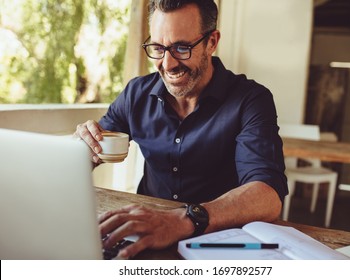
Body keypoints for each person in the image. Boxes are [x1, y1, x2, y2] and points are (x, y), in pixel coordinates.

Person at [74, 0, 288, 259]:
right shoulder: (136, 94)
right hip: (144, 232)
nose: (168, 64)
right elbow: (95, 147)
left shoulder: (251, 100)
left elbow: (268, 196)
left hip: (218, 242)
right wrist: (79, 150)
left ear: (212, 42)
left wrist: (183, 220)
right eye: (158, 48)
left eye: (182, 48)